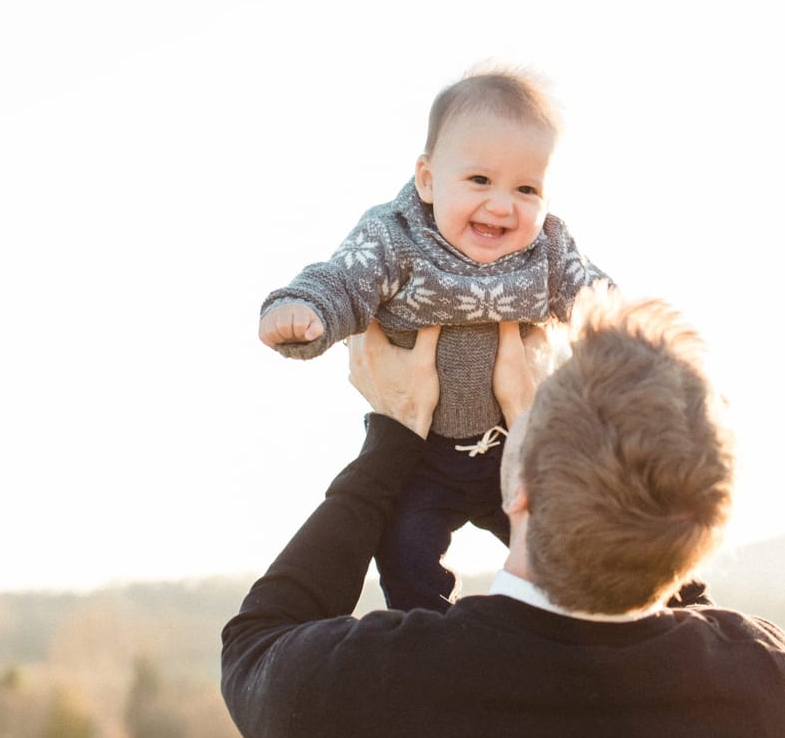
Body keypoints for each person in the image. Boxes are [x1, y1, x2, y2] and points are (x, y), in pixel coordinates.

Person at [222, 290, 785, 738]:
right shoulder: (765, 692)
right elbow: (670, 550)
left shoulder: (379, 690)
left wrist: (394, 433)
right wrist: (544, 449)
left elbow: (255, 643)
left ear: (523, 490)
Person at [257, 67, 610, 611]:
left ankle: (557, 631)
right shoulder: (396, 237)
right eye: (479, 181)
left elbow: (598, 301)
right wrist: (305, 312)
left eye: (526, 188)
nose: (501, 205)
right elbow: (345, 279)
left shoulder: (549, 249)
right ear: (427, 180)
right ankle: (433, 640)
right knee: (404, 553)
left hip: (510, 443)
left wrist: (634, 342)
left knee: (565, 542)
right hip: (421, 453)